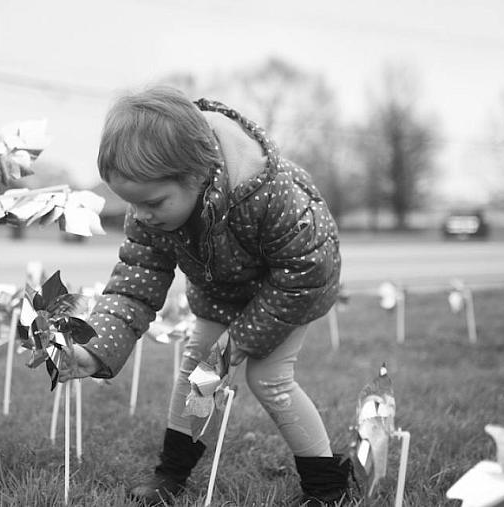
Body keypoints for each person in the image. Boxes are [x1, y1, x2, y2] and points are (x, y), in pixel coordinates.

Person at [60, 86, 351, 506]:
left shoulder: (270, 193)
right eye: (131, 204)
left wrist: (238, 343)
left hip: (291, 287)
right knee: (199, 371)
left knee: (267, 379)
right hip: (222, 288)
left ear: (196, 175)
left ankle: (329, 486)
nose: (140, 215)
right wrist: (94, 349)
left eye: (152, 202)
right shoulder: (151, 210)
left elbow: (306, 271)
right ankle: (172, 472)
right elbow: (134, 284)